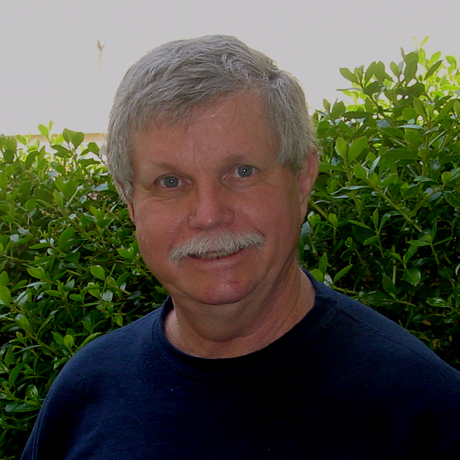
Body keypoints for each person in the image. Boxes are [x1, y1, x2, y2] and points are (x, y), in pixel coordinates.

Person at [22, 35, 460, 460]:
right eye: (170, 182)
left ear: (302, 178)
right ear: (130, 200)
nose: (209, 214)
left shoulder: (427, 413)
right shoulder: (87, 390)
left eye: (242, 171)